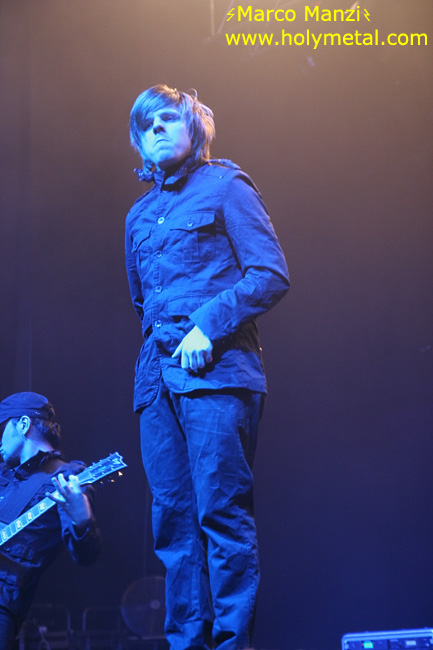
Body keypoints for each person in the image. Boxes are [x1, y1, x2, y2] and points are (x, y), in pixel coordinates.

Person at [125, 84, 290, 650]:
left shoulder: (226, 185)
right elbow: (143, 304)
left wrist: (207, 326)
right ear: (138, 143)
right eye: (146, 126)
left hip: (216, 372)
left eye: (168, 119)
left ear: (194, 128)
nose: (157, 130)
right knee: (172, 525)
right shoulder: (138, 216)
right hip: (157, 382)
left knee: (221, 514)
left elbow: (269, 273)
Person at [0, 391, 102, 650]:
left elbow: (87, 555)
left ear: (23, 424)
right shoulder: (4, 473)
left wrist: (82, 520)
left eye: (2, 429)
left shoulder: (66, 477)